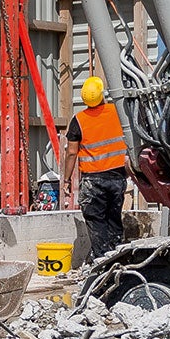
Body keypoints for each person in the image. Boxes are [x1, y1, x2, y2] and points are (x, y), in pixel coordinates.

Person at [62, 76, 128, 261]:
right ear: (102, 94)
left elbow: (72, 153)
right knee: (113, 218)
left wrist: (66, 179)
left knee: (96, 221)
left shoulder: (79, 120)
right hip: (118, 177)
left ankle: (102, 259)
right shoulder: (118, 112)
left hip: (93, 180)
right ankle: (117, 257)